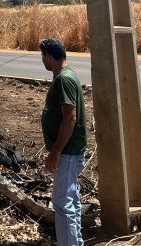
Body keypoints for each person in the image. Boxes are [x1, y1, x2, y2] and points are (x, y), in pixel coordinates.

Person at [40, 38, 87, 246]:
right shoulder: (65, 76)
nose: (43, 60)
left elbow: (70, 117)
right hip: (68, 152)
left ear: (49, 56)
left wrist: (55, 153)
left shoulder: (64, 79)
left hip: (67, 153)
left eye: (43, 56)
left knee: (62, 204)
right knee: (71, 201)